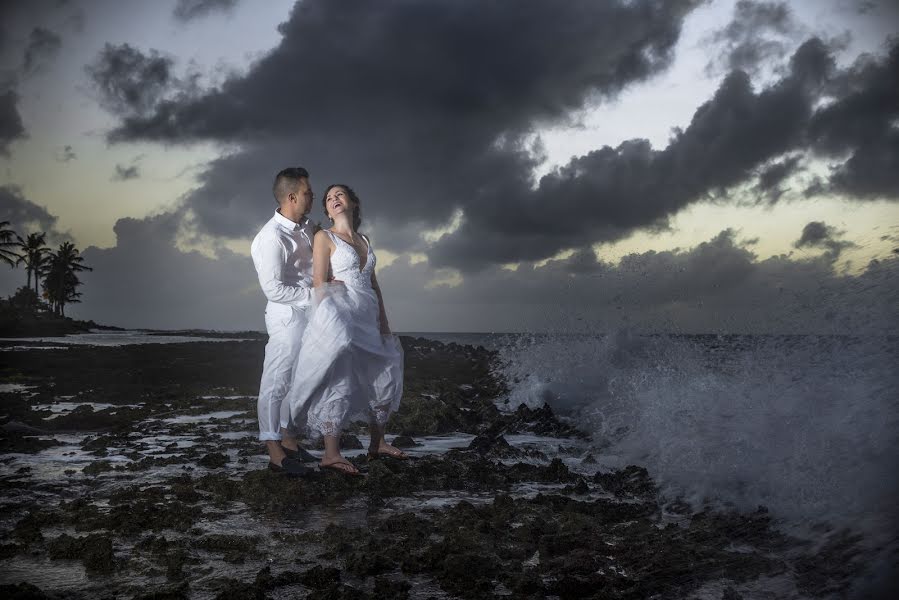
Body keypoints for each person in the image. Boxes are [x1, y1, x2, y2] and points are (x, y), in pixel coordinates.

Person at [286, 184, 405, 475]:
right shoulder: (323, 237)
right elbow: (318, 282)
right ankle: (331, 453)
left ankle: (378, 443)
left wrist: (385, 324)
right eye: (328, 199)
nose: (334, 199)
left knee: (385, 372)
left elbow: (374, 285)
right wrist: (331, 311)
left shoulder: (364, 239)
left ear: (352, 202)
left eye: (339, 195)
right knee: (339, 377)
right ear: (326, 211)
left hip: (368, 314)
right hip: (341, 312)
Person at [250, 167, 319, 476]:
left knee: (296, 383)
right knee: (275, 382)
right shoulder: (270, 237)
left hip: (309, 316)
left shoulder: (306, 226)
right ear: (292, 196)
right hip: (286, 317)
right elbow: (273, 289)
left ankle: (289, 441)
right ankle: (274, 451)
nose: (312, 196)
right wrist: (318, 295)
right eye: (308, 192)